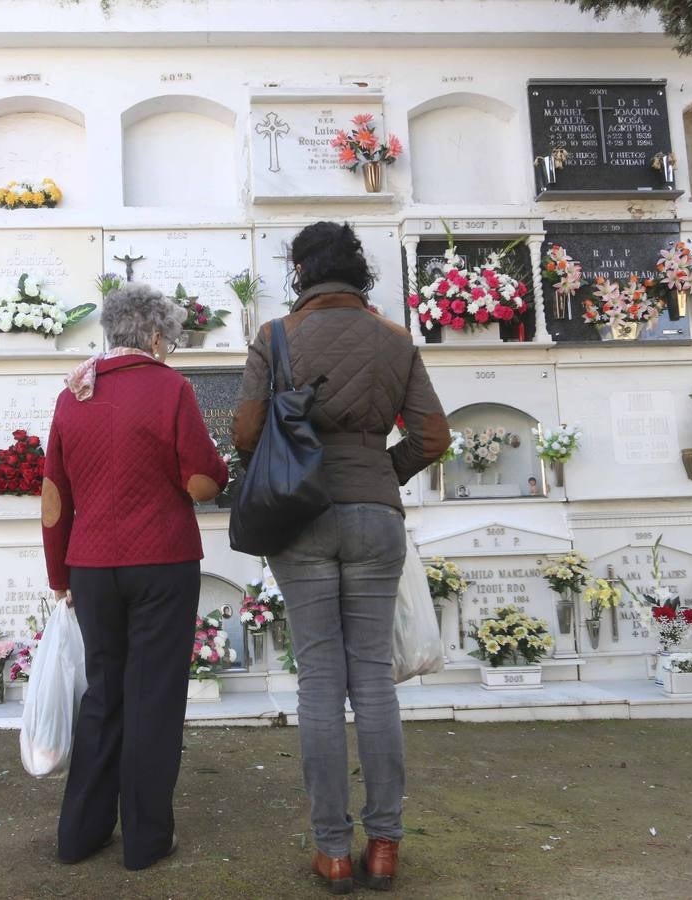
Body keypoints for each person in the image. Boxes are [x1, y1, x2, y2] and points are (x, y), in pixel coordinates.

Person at [233, 221, 448, 894]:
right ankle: (384, 845)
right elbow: (434, 435)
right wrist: (382, 469)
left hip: (301, 522)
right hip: (375, 517)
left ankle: (331, 851)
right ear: (360, 273)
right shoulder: (395, 339)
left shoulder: (275, 337)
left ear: (299, 272)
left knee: (320, 684)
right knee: (375, 683)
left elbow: (244, 434)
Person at [42, 282, 228, 871]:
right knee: (154, 699)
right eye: (169, 339)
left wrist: (58, 573)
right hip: (161, 561)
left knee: (103, 694)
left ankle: (80, 835)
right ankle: (147, 841)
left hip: (92, 566)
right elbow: (201, 480)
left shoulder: (74, 392)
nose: (170, 349)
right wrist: (216, 472)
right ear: (153, 336)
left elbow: (54, 494)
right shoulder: (170, 387)